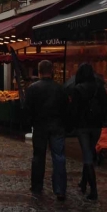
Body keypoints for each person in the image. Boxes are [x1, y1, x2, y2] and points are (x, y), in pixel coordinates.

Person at [25, 60, 69, 201]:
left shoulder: (33, 89)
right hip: (57, 126)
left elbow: (28, 109)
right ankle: (60, 189)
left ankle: (37, 186)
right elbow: (66, 109)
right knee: (59, 157)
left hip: (40, 127)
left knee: (38, 156)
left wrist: (30, 123)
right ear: (52, 71)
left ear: (39, 72)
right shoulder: (60, 89)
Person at [68, 63, 107, 201]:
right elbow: (106, 106)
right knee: (89, 152)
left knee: (87, 156)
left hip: (83, 127)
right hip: (96, 126)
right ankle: (83, 183)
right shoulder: (99, 87)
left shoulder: (77, 89)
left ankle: (94, 190)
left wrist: (72, 125)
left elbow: (74, 110)